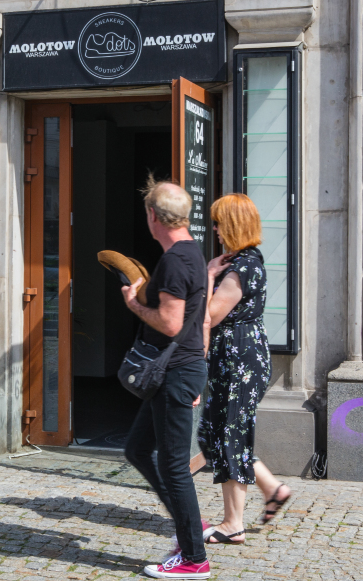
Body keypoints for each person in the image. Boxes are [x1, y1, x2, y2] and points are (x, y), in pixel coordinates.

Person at [121, 176, 211, 580]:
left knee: (174, 466)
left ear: (153, 216)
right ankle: (189, 526)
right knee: (138, 449)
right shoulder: (193, 252)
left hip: (175, 372)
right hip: (181, 371)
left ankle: (194, 557)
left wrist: (133, 304)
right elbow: (200, 320)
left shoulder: (175, 261)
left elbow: (172, 323)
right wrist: (197, 374)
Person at [198, 193, 292, 546]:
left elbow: (209, 315)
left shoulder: (241, 267)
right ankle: (272, 489)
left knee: (229, 435)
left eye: (218, 222)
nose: (215, 229)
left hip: (238, 360)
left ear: (233, 225)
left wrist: (208, 276)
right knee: (213, 434)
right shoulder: (245, 261)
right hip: (236, 357)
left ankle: (232, 524)